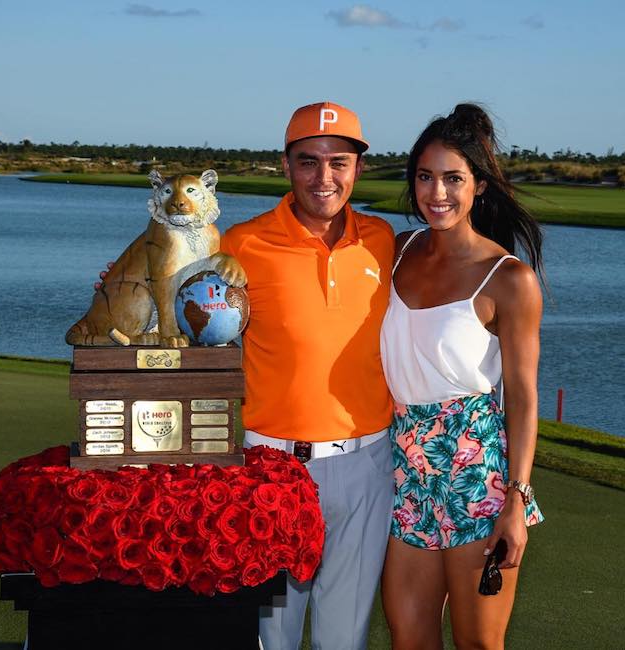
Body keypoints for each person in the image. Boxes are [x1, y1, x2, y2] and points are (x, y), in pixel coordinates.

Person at [221, 102, 396, 649]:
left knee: (343, 641)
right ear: (286, 165)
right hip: (269, 469)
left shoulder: (384, 241)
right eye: (308, 162)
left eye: (338, 162)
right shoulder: (240, 244)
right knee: (271, 639)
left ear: (358, 168)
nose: (325, 177)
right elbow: (187, 313)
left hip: (366, 466)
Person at [380, 104, 544, 650]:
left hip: (475, 473)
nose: (437, 192)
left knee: (478, 643)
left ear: (479, 187)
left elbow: (521, 395)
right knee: (410, 637)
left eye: (453, 178)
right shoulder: (397, 252)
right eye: (425, 177)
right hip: (405, 467)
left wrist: (516, 500)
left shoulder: (509, 280)